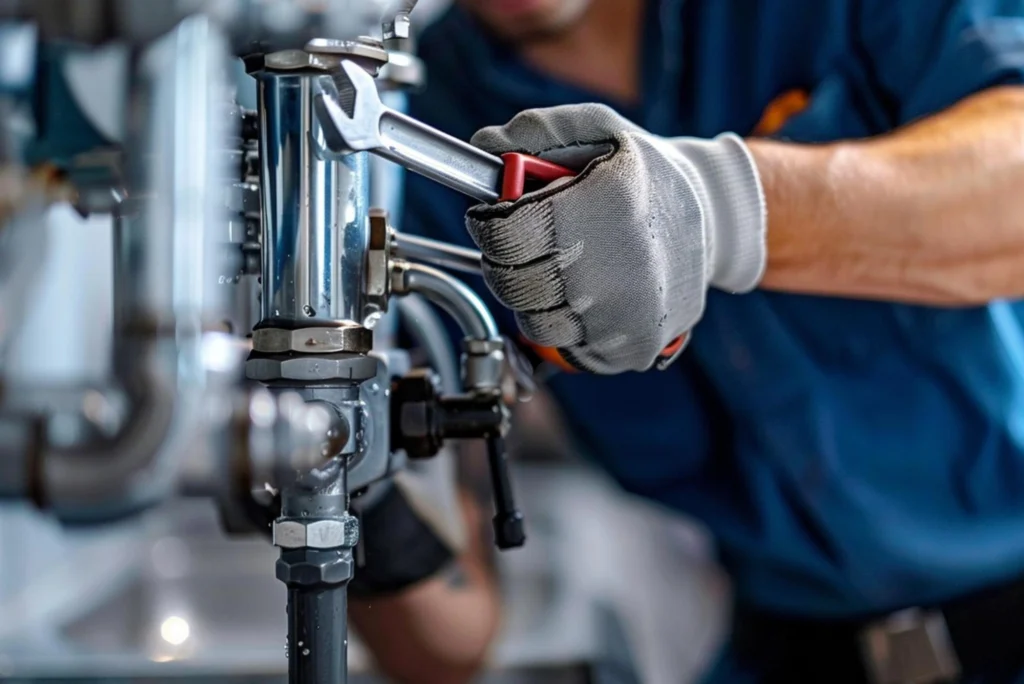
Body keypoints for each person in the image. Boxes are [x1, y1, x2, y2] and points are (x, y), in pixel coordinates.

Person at [370, 0, 1024, 682]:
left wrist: (715, 206)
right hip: (784, 653)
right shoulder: (417, 127)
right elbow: (450, 646)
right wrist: (355, 496)